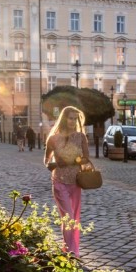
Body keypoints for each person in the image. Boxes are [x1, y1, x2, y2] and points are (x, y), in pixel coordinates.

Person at [43, 106, 92, 256]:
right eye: (70, 118)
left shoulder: (80, 136)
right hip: (59, 181)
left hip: (76, 181)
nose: (72, 121)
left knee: (74, 218)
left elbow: (86, 158)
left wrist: (73, 160)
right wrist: (54, 164)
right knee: (68, 216)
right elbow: (46, 160)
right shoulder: (53, 138)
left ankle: (71, 250)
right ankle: (70, 252)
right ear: (64, 118)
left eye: (75, 118)